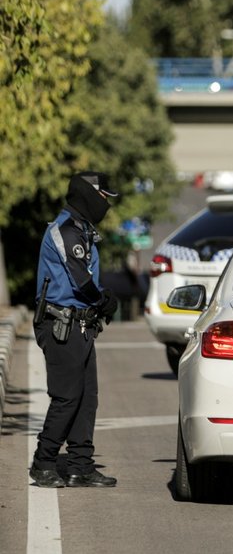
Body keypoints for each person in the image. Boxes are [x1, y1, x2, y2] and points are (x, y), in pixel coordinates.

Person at [28, 172, 120, 489]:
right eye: (104, 197)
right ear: (88, 195)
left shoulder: (82, 230)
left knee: (86, 399)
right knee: (66, 398)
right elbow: (81, 280)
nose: (106, 203)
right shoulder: (65, 231)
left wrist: (99, 304)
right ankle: (43, 464)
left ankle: (81, 466)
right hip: (60, 325)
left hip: (79, 324)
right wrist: (103, 300)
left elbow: (86, 278)